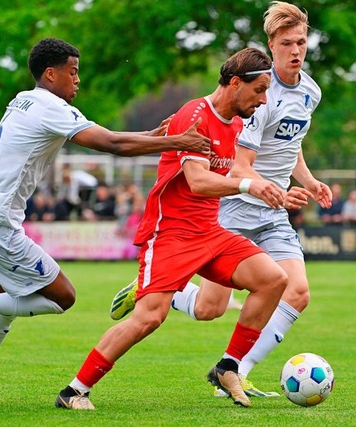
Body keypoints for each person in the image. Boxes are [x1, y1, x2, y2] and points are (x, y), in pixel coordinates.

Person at [0, 38, 210, 404]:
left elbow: (113, 139)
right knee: (62, 297)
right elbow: (111, 145)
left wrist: (152, 137)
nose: (77, 80)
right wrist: (179, 141)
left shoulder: (25, 99)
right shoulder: (50, 106)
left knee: (6, 304)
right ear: (51, 74)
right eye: (73, 72)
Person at [109, 1, 332, 399]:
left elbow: (290, 145)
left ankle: (234, 370)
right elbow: (240, 166)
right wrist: (271, 189)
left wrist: (311, 180)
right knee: (210, 308)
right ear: (271, 45)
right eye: (287, 43)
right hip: (235, 207)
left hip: (273, 211)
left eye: (301, 42)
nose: (296, 51)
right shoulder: (257, 95)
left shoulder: (310, 92)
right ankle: (164, 290)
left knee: (297, 292)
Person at [56, 47, 286, 411]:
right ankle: (74, 390)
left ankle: (228, 367)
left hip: (210, 231)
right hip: (171, 234)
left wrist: (275, 187)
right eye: (259, 90)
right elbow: (197, 181)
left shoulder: (236, 123)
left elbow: (235, 170)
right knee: (149, 318)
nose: (263, 99)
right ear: (235, 83)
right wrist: (250, 187)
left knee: (272, 279)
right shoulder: (194, 115)